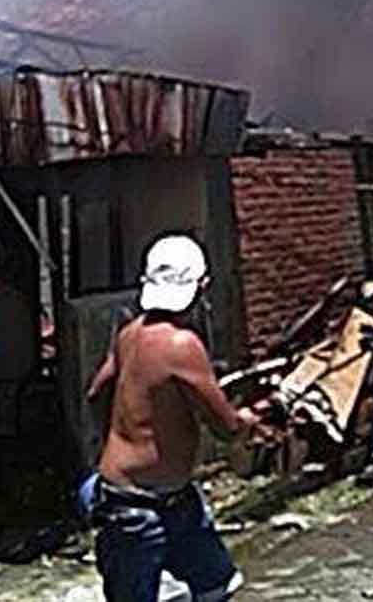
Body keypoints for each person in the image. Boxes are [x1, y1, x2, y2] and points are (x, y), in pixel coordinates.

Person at [83, 235, 260, 602]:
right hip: (139, 508)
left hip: (151, 497)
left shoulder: (129, 334)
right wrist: (247, 419)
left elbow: (97, 393)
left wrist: (119, 438)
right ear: (201, 287)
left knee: (217, 583)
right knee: (213, 588)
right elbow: (225, 426)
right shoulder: (182, 345)